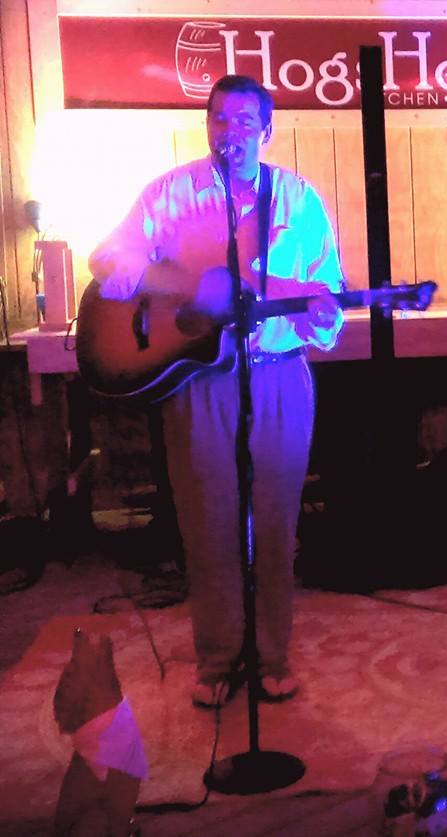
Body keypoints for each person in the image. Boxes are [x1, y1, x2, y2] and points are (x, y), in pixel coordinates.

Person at [89, 75, 345, 706]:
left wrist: (320, 312)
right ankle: (217, 661)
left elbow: (329, 297)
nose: (231, 132)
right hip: (199, 379)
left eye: (244, 121)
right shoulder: (169, 194)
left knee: (278, 525)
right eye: (219, 119)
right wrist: (183, 284)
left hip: (279, 373)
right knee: (207, 525)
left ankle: (272, 657)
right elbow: (108, 261)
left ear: (267, 131)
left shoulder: (299, 199)